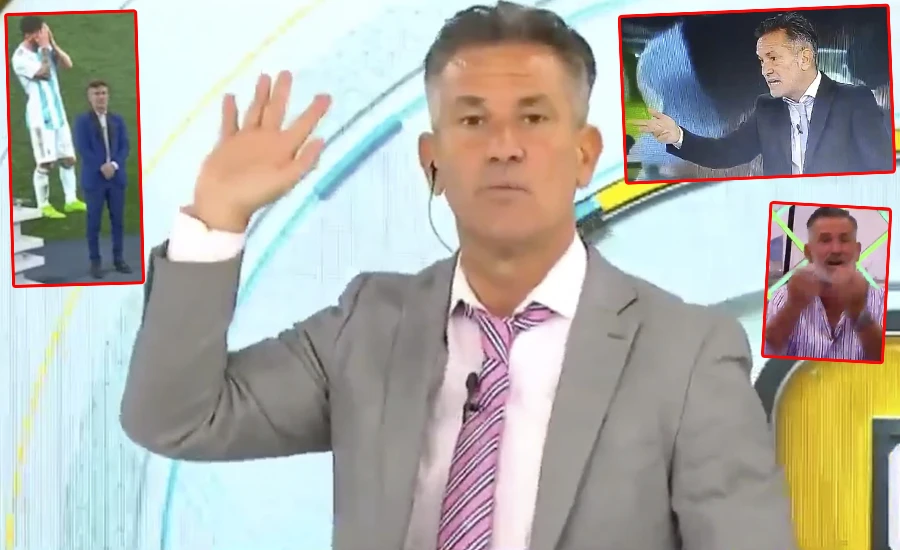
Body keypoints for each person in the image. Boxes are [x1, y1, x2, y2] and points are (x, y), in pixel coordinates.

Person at [121, 3, 797, 549]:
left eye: (533, 117)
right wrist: (218, 216)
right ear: (432, 161)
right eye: (472, 119)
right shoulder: (367, 326)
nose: (504, 145)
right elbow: (177, 420)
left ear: (585, 154)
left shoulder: (687, 353)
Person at [634, 11, 894, 177]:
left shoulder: (856, 102)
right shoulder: (766, 111)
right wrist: (680, 138)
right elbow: (725, 152)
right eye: (763, 61)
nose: (767, 69)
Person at [765, 207, 885, 361]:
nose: (836, 250)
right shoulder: (783, 297)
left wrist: (859, 314)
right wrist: (793, 307)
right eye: (825, 240)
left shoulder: (882, 300)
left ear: (857, 251)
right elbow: (769, 355)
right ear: (808, 252)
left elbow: (889, 362)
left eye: (844, 239)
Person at [11, 15, 87, 218]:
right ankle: (43, 205)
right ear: (29, 34)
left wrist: (52, 43)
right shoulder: (20, 58)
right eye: (40, 31)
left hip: (57, 113)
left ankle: (70, 200)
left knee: (68, 159)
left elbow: (68, 64)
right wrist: (45, 48)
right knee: (46, 163)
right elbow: (44, 73)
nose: (43, 34)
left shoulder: (45, 47)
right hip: (40, 118)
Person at [73, 80, 132, 279]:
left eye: (104, 93)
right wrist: (102, 166)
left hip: (116, 179)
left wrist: (113, 165)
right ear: (89, 97)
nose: (101, 97)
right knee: (94, 223)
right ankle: (95, 262)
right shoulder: (82, 122)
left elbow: (124, 146)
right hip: (95, 180)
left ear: (108, 96)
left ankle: (118, 259)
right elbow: (83, 148)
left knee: (118, 221)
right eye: (96, 94)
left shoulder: (117, 120)